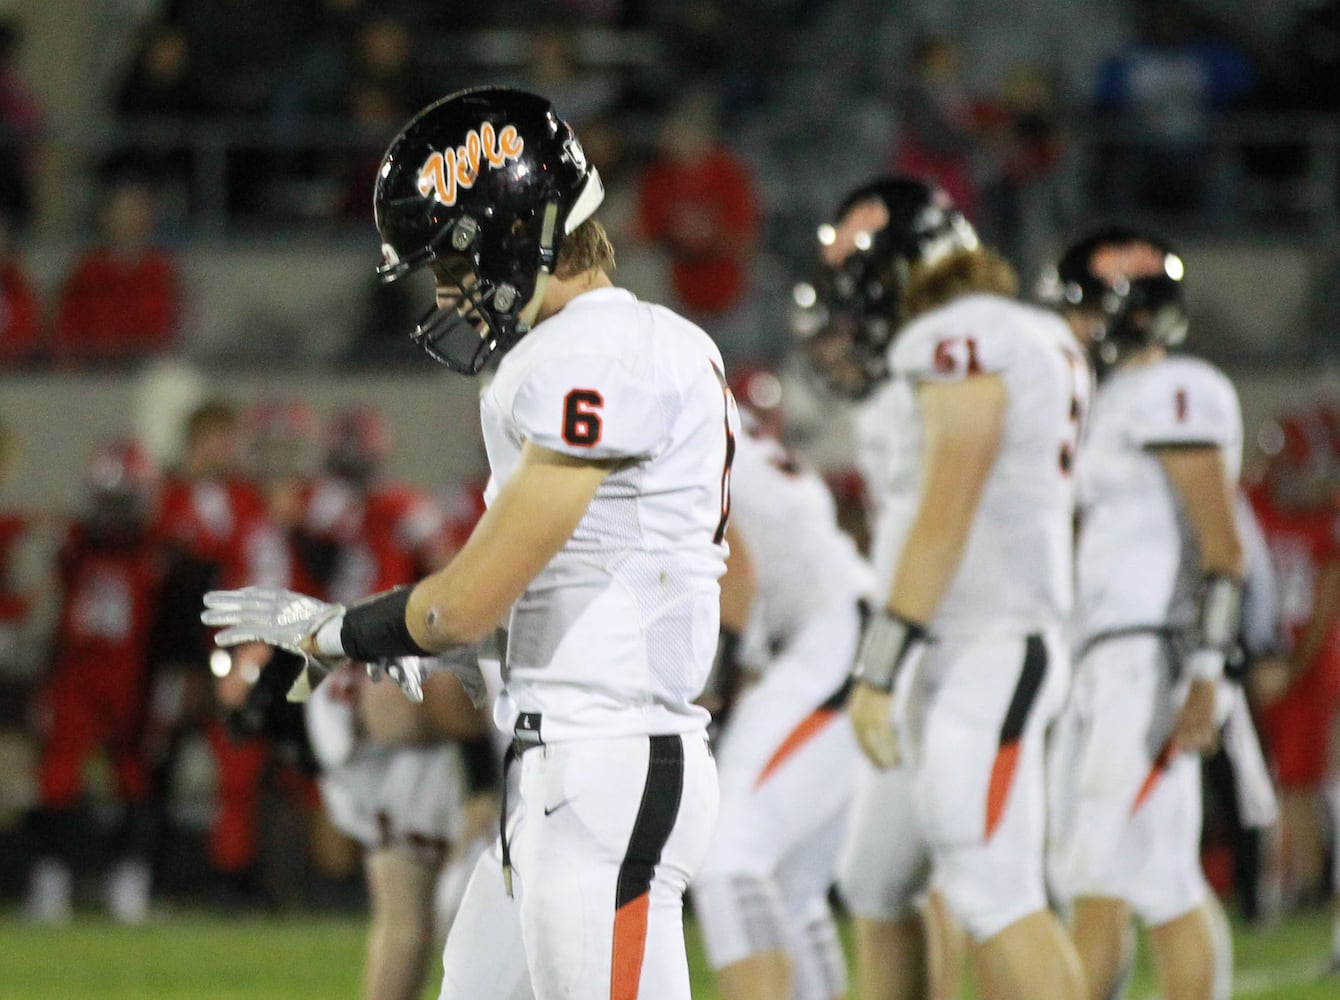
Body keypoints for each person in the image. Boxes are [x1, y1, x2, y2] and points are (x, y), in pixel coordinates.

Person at [201, 86, 733, 1000]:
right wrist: (460, 655)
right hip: (556, 766)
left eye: (449, 261)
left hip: (606, 761)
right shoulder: (630, 346)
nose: (447, 292)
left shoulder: (588, 356)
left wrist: (335, 633)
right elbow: (565, 578)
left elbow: (464, 601)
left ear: (509, 231)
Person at [792, 176, 1088, 1000]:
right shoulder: (1024, 333)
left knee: (996, 892)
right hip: (948, 644)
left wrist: (879, 666)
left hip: (984, 643)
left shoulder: (958, 337)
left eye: (867, 291)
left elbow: (947, 509)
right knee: (876, 881)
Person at [1041, 226, 1245, 1000]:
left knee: (1104, 871)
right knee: (1144, 874)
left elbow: (1223, 550)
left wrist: (1205, 672)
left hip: (1148, 656)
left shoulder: (1175, 389)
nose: (1074, 326)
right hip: (1104, 657)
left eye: (1087, 309)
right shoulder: (1113, 399)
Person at [692, 412, 874, 1000]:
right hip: (840, 637)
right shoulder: (726, 432)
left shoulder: (685, 435)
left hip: (832, 643)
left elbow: (735, 578)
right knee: (791, 887)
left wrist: (710, 702)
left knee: (728, 859)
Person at [24, 439, 165, 924]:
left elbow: (168, 625)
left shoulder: (155, 551)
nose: (114, 514)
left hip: (130, 679)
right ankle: (52, 878)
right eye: (109, 502)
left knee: (133, 777)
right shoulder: (76, 544)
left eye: (123, 502)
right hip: (76, 677)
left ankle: (128, 880)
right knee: (56, 777)